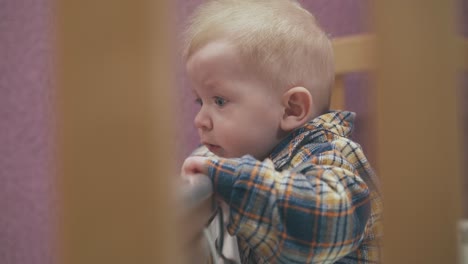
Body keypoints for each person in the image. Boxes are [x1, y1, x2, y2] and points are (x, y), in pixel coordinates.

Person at [181, 0, 383, 263]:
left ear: (291, 109)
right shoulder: (260, 159)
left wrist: (228, 179)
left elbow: (325, 223)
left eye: (219, 100)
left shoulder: (330, 155)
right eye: (200, 101)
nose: (200, 120)